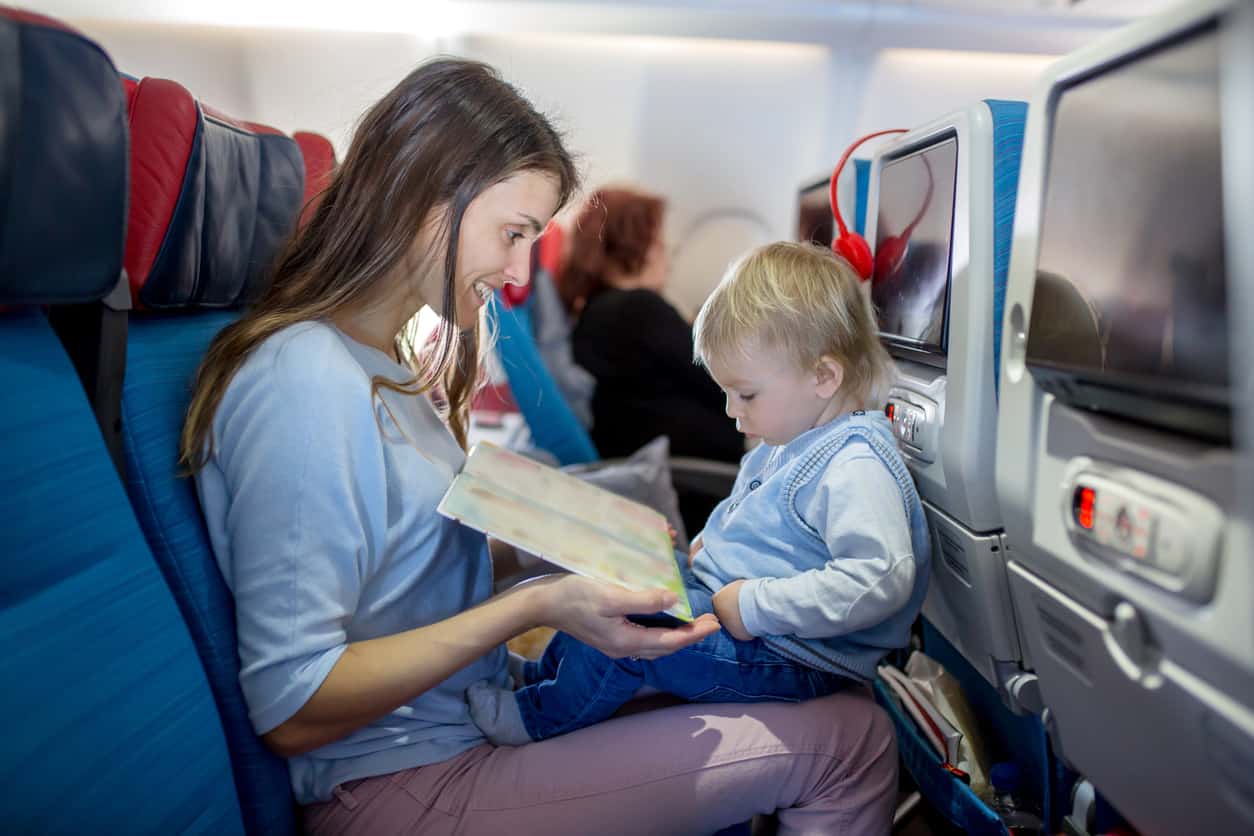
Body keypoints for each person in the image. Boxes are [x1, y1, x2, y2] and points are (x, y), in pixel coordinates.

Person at [182, 59, 899, 835]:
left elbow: (393, 578)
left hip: (464, 715)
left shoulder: (385, 364)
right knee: (852, 740)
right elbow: (292, 706)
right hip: (401, 785)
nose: (522, 270)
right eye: (513, 233)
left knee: (795, 695)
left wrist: (568, 548)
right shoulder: (303, 380)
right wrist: (532, 604)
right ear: (426, 199)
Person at [469, 241, 931, 749]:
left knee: (629, 633)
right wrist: (709, 542)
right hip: (741, 608)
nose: (733, 412)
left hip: (791, 656)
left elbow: (878, 579)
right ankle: (541, 675)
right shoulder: (796, 438)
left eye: (746, 395)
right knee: (620, 577)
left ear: (824, 376)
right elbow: (754, 514)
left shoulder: (854, 466)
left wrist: (755, 605)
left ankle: (536, 718)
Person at [561, 187, 745, 463]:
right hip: (685, 479)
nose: (667, 259)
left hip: (655, 462)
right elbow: (722, 381)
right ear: (634, 248)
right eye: (659, 244)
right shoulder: (638, 309)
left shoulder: (599, 308)